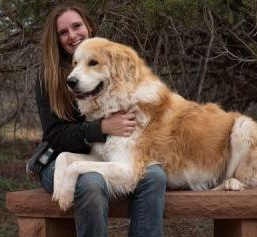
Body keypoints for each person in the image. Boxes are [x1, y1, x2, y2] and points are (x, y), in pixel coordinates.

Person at [35, 2, 166, 236]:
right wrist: (101, 128)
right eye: (63, 32)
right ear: (55, 39)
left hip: (103, 153)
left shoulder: (110, 59)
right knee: (91, 182)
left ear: (89, 26)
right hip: (58, 157)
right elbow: (55, 136)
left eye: (77, 26)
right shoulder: (49, 77)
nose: (72, 35)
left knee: (154, 175)